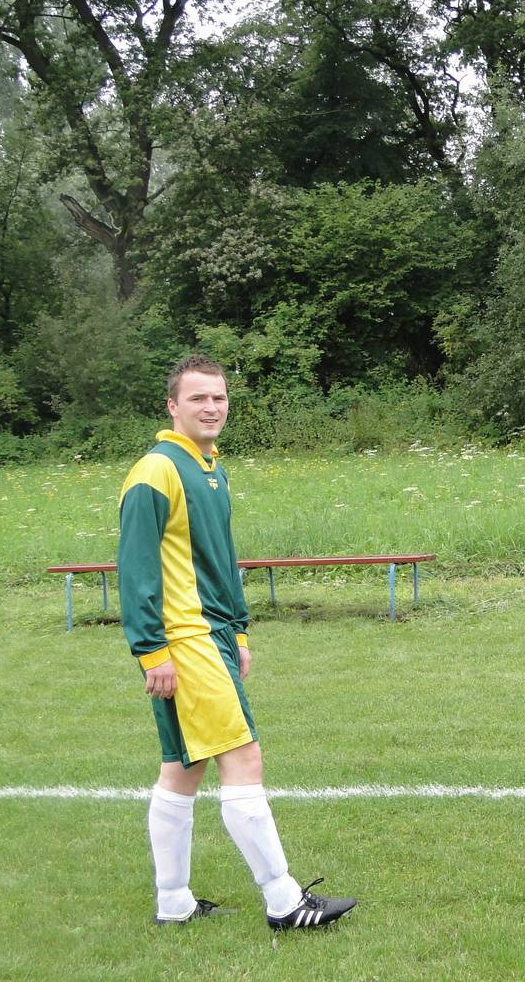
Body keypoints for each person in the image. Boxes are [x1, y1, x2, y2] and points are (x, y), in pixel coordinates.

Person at [118, 354, 357, 928]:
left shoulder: (210, 469)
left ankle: (173, 902)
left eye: (219, 397)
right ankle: (285, 901)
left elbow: (220, 561)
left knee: (183, 767)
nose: (211, 407)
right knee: (243, 755)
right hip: (187, 639)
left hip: (215, 632)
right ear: (172, 406)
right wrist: (152, 651)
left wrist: (239, 629)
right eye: (198, 398)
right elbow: (135, 569)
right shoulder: (156, 471)